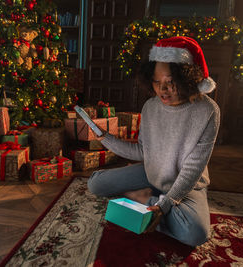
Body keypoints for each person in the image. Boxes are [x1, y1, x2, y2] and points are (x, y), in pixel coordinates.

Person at [87, 36, 220, 247]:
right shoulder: (150, 106)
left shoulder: (208, 110)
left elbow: (192, 169)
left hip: (188, 185)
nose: (162, 90)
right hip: (152, 173)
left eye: (170, 82)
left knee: (197, 234)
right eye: (157, 82)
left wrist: (165, 204)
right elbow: (143, 151)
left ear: (186, 78)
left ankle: (144, 200)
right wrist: (107, 140)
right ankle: (146, 198)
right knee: (95, 184)